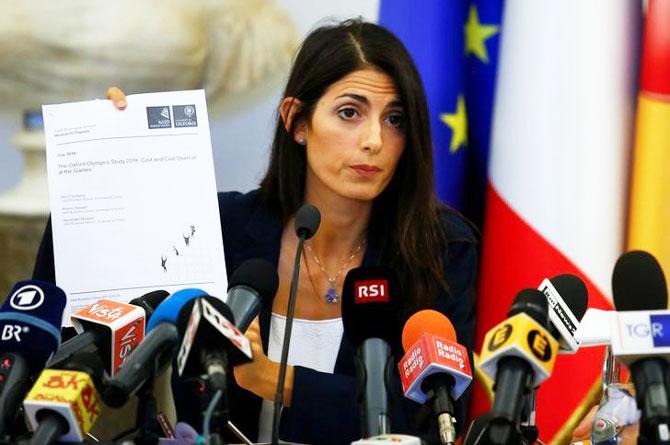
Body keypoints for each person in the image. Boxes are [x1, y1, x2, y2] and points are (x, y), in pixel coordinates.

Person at [33, 19, 478, 445]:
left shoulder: (441, 247)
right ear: (297, 121)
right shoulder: (218, 227)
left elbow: (430, 418)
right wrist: (107, 158)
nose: (374, 141)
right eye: (350, 112)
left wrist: (272, 379)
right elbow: (66, 310)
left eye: (394, 119)